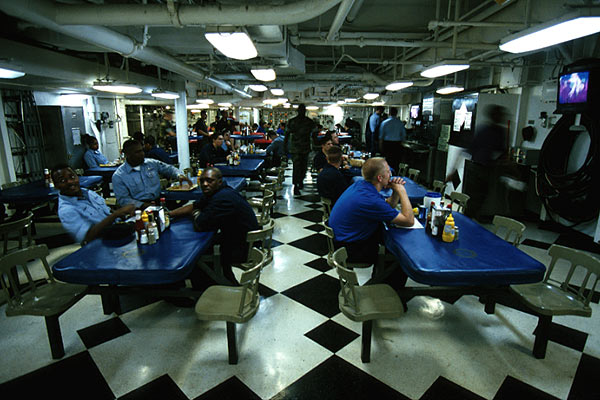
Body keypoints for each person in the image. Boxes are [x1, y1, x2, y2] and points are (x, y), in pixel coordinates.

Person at [169, 168, 259, 287]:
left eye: (209, 180)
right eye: (202, 181)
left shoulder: (222, 198)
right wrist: (169, 214)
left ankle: (206, 287)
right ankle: (223, 278)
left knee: (197, 255)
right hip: (236, 237)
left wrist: (196, 213)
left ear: (219, 182)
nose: (205, 184)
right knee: (205, 246)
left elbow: (200, 224)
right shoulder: (217, 191)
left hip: (245, 247)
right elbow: (195, 205)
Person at [329, 157, 414, 279]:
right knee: (400, 254)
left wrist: (395, 191)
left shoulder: (361, 185)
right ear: (380, 178)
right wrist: (402, 191)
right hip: (350, 249)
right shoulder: (370, 199)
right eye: (388, 171)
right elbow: (409, 221)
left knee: (389, 236)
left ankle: (381, 277)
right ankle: (385, 284)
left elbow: (387, 206)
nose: (391, 174)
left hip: (342, 239)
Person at [51, 164, 135, 244]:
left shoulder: (88, 193)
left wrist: (123, 215)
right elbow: (88, 237)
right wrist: (115, 215)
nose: (70, 182)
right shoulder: (66, 210)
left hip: (118, 229)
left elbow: (107, 210)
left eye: (72, 177)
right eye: (62, 180)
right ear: (56, 186)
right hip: (103, 242)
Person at [112, 139, 191, 209]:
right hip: (138, 209)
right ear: (127, 154)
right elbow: (123, 200)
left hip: (159, 201)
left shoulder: (151, 163)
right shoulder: (119, 176)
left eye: (142, 150)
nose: (142, 154)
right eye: (137, 152)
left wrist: (179, 175)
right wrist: (144, 205)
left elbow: (169, 169)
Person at [283, 104, 317, 195]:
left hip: (301, 147)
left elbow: (314, 135)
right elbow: (286, 135)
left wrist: (285, 147)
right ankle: (296, 185)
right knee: (298, 167)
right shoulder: (295, 121)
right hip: (298, 148)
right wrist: (285, 147)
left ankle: (300, 181)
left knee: (302, 167)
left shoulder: (307, 122)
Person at [378, 107, 406, 175]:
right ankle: (395, 176)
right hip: (397, 145)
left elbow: (381, 137)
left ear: (389, 113)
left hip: (387, 144)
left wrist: (380, 147)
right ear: (396, 113)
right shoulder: (400, 123)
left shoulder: (384, 123)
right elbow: (403, 136)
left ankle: (386, 175)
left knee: (387, 162)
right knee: (396, 162)